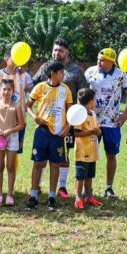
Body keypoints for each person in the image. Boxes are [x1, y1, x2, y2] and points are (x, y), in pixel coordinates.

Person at [32, 39, 87, 198]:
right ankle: (38, 186)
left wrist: (77, 116)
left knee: (64, 154)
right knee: (41, 157)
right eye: (55, 50)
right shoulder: (46, 67)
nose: (57, 53)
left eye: (60, 50)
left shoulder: (76, 70)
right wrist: (21, 73)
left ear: (67, 52)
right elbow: (33, 83)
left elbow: (83, 92)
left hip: (67, 120)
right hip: (46, 120)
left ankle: (62, 187)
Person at [84, 48, 127, 199]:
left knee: (111, 155)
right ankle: (88, 189)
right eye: (98, 59)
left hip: (112, 122)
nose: (99, 62)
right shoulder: (90, 72)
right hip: (93, 121)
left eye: (103, 60)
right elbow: (82, 92)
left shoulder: (121, 74)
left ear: (111, 61)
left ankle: (108, 187)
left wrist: (125, 113)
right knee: (89, 155)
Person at [26, 61, 73, 211]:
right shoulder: (40, 87)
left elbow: (71, 112)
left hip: (58, 133)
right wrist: (35, 117)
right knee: (38, 163)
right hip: (42, 131)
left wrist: (67, 128)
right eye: (61, 72)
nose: (63, 75)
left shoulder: (65, 90)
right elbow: (27, 105)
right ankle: (33, 195)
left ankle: (51, 196)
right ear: (52, 73)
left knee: (55, 165)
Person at [0, 78, 25, 206]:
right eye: (4, 89)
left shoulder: (16, 107)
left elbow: (21, 124)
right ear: (0, 90)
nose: (6, 92)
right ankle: (0, 194)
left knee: (10, 166)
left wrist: (10, 131)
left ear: (13, 91)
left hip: (12, 137)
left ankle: (9, 194)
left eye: (9, 89)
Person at [0, 56, 33, 177]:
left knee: (14, 153)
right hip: (0, 121)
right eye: (14, 58)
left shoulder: (25, 75)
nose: (17, 61)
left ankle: (11, 184)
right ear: (6, 58)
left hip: (19, 121)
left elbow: (32, 90)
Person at [72, 88, 103, 210]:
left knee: (90, 176)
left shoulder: (93, 114)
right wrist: (92, 131)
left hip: (92, 151)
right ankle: (78, 198)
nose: (95, 102)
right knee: (80, 176)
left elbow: (96, 130)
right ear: (90, 101)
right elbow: (77, 133)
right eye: (94, 99)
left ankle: (89, 196)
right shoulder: (79, 114)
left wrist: (98, 131)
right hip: (82, 151)